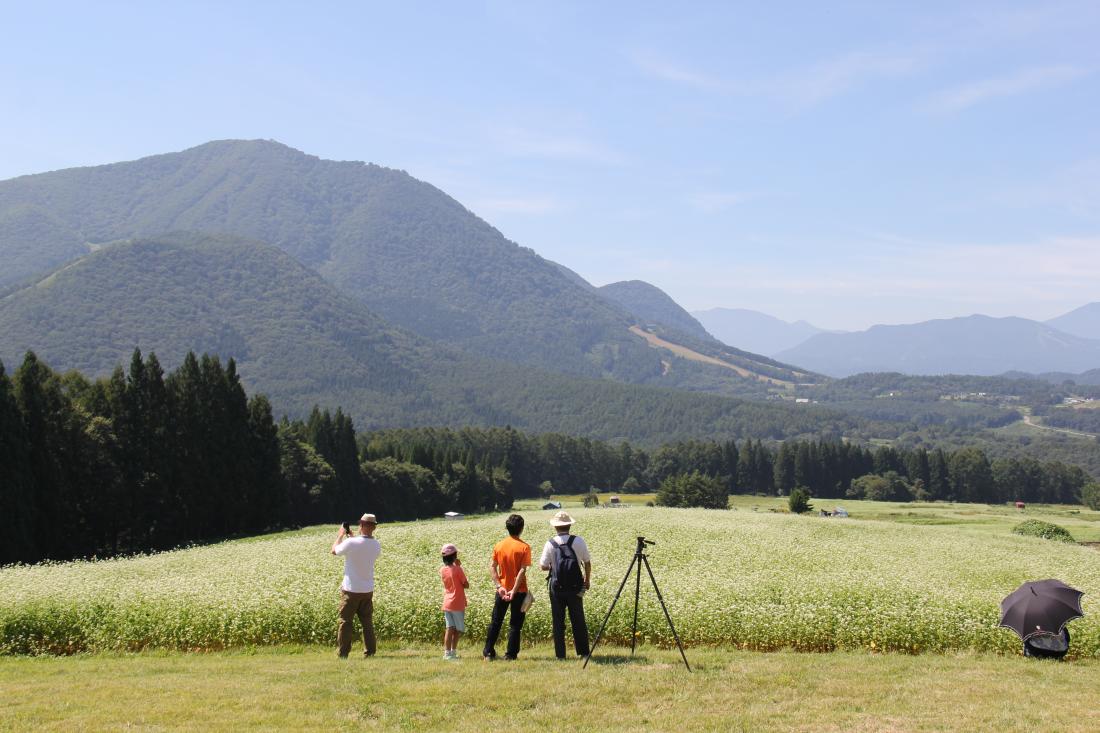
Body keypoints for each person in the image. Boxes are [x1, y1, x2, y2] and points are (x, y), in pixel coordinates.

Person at [539, 510, 592, 659]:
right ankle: (583, 652)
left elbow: (543, 566)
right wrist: (587, 580)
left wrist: (553, 567)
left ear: (555, 527)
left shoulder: (550, 543)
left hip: (557, 588)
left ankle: (560, 655)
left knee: (558, 621)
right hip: (576, 587)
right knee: (578, 619)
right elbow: (587, 563)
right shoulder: (579, 541)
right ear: (569, 525)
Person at [331, 513, 381, 658]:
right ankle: (370, 652)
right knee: (367, 623)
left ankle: (343, 653)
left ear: (362, 525)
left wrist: (340, 535)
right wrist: (352, 538)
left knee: (345, 622)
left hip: (351, 590)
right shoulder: (376, 545)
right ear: (374, 527)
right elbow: (362, 548)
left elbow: (334, 551)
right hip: (367, 589)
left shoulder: (351, 543)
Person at [483, 513, 531, 660]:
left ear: (507, 528)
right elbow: (522, 571)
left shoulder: (499, 545)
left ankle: (488, 652)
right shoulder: (524, 547)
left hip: (502, 590)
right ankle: (510, 655)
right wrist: (514, 591)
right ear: (521, 528)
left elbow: (492, 567)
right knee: (515, 624)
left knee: (496, 621)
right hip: (519, 591)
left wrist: (499, 586)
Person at [439, 542, 469, 659]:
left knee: (449, 628)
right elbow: (466, 585)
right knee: (457, 630)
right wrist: (459, 567)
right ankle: (453, 652)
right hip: (457, 602)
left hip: (447, 602)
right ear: (454, 556)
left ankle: (447, 654)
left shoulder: (442, 570)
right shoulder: (458, 570)